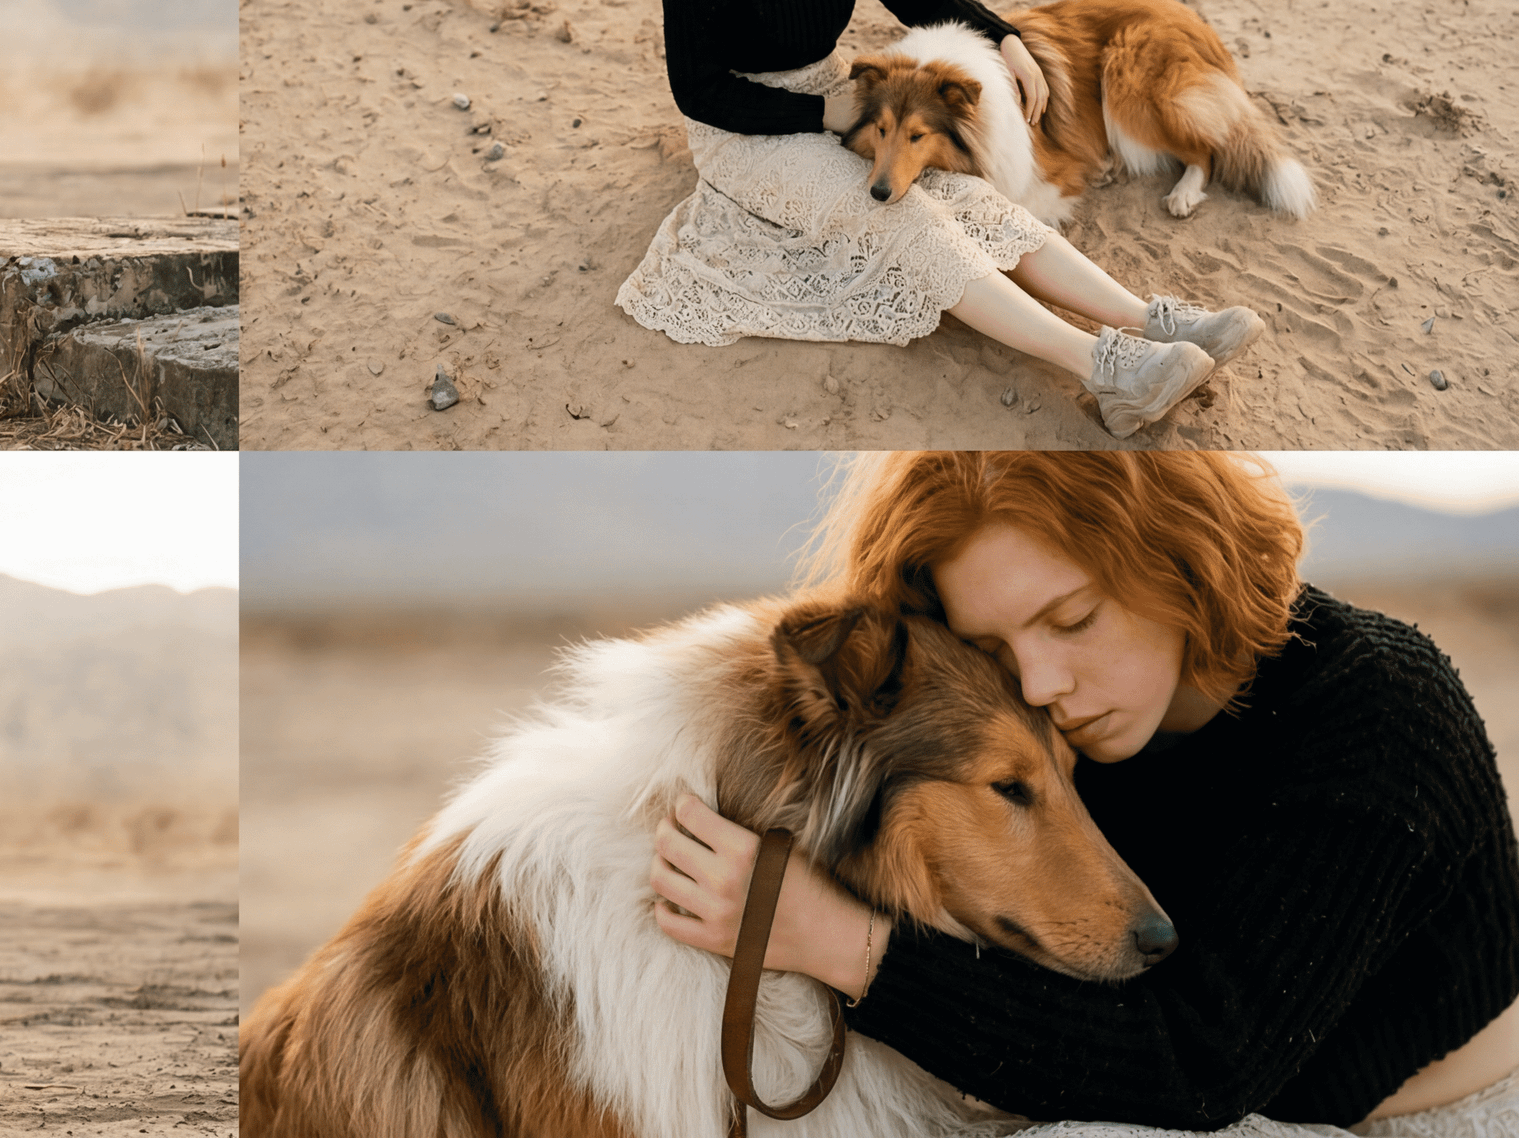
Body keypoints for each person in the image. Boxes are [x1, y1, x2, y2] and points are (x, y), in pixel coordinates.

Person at [648, 450, 1519, 1137]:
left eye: (1071, 620)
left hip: (1416, 1120)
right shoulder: (1072, 717)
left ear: (1173, 558)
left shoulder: (1380, 712)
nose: (1039, 682)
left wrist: (845, 944)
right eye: (993, 645)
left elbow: (1200, 1069)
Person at [613, 0, 1255, 436]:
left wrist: (1006, 39)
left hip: (833, 92)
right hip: (742, 131)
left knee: (972, 199)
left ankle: (1149, 319)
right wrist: (818, 116)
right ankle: (1106, 369)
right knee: (902, 217)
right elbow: (697, 91)